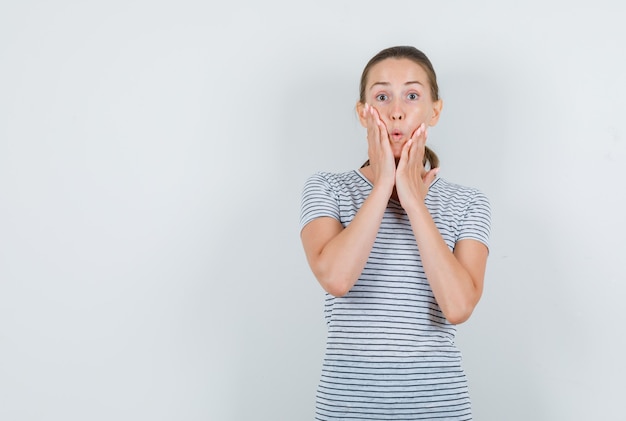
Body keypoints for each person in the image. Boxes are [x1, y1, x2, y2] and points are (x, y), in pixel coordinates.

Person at [299, 45, 492, 420]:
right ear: (362, 113)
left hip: (438, 408)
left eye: (413, 95)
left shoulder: (468, 203)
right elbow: (337, 278)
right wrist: (384, 181)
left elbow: (458, 307)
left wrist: (414, 202)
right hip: (347, 409)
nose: (397, 110)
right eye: (382, 96)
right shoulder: (327, 189)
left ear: (435, 110)